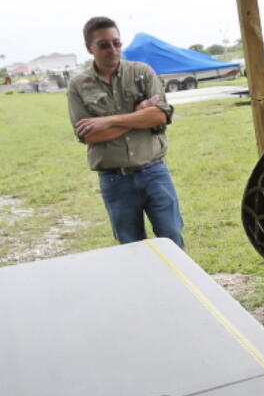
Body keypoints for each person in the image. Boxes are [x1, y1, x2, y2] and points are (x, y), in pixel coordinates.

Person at [67, 16, 185, 248]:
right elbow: (89, 136)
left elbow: (160, 116)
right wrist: (139, 116)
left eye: (117, 43)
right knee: (131, 247)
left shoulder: (142, 72)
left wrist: (107, 121)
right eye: (104, 44)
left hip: (154, 172)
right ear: (89, 48)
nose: (113, 49)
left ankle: (176, 286)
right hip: (115, 180)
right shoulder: (79, 85)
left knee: (172, 239)